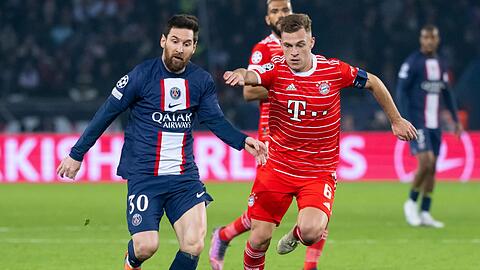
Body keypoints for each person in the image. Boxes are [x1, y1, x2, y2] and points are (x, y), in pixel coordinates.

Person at [56, 14, 267, 270]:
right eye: (175, 41)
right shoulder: (141, 76)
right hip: (145, 175)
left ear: (194, 47)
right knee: (147, 246)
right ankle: (131, 260)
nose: (180, 48)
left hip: (183, 177)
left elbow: (215, 121)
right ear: (163, 41)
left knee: (194, 243)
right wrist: (77, 154)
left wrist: (243, 141)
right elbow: (106, 113)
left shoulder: (201, 81)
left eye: (187, 43)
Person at [223, 14, 417, 270]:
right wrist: (239, 74)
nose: (293, 52)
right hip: (277, 168)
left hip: (317, 172)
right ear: (281, 44)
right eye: (287, 45)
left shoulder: (334, 70)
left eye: (300, 45)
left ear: (311, 42)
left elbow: (373, 82)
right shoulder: (276, 69)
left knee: (312, 232)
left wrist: (396, 120)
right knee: (259, 239)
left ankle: (296, 233)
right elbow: (251, 75)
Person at [209, 2, 328, 270]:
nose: (280, 15)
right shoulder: (264, 49)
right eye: (275, 11)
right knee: (264, 215)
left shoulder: (299, 42)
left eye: (284, 9)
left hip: (306, 132)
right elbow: (249, 92)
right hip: (273, 135)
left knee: (318, 205)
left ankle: (310, 265)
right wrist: (289, 85)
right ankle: (225, 234)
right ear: (267, 18)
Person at [398, 25, 462, 228]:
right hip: (418, 122)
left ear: (437, 40)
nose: (428, 41)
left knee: (433, 168)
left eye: (432, 38)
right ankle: (410, 203)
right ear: (420, 39)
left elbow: (447, 93)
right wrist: (403, 119)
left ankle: (425, 211)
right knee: (425, 162)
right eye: (425, 37)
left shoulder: (440, 63)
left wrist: (455, 119)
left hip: (435, 125)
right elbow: (401, 91)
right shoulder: (413, 62)